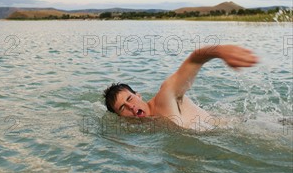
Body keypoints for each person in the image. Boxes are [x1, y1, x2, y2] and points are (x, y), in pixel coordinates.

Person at [103, 45, 259, 130]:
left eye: (130, 98)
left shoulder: (164, 97)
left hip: (250, 127)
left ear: (138, 95)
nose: (131, 107)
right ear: (119, 117)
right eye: (123, 108)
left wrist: (219, 51)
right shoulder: (147, 125)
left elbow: (193, 60)